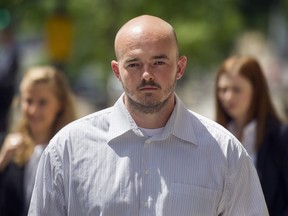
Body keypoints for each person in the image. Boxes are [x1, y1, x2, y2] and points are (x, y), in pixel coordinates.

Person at [28, 15, 269, 216]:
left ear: (180, 67)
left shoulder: (225, 154)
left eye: (159, 62)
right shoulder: (67, 149)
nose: (146, 74)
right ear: (116, 71)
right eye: (133, 64)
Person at [215, 55, 288, 216]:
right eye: (223, 89)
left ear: (256, 90)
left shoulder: (280, 137)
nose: (228, 97)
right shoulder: (213, 137)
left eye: (236, 89)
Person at [0, 65, 77, 216]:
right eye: (28, 101)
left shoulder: (73, 149)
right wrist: (2, 159)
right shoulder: (7, 146)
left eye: (42, 103)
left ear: (60, 104)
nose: (34, 110)